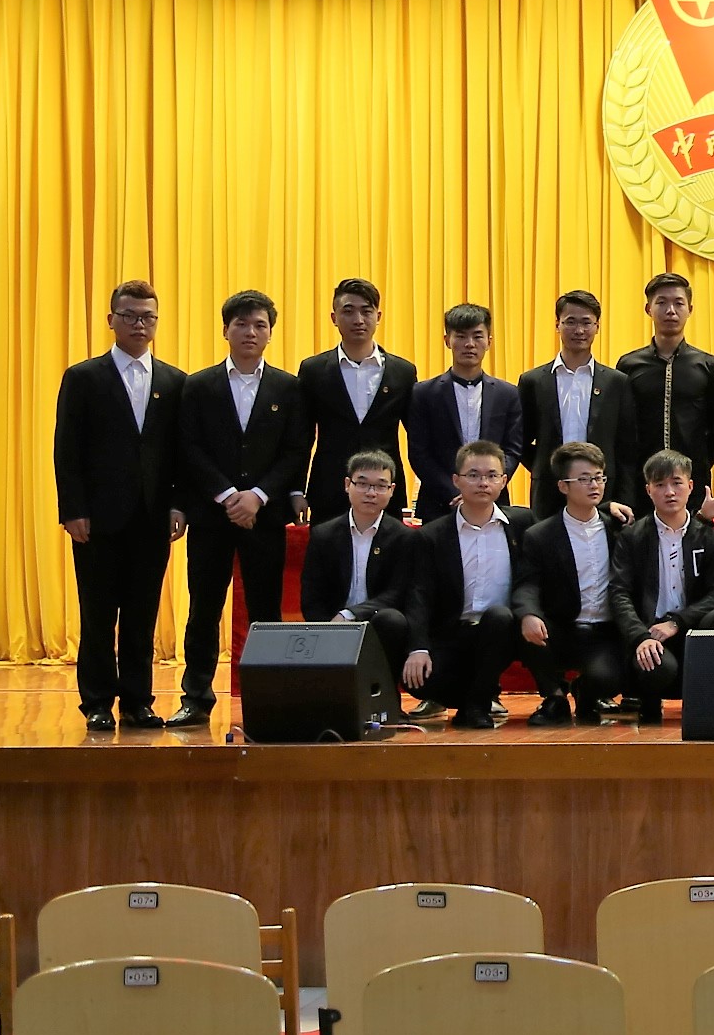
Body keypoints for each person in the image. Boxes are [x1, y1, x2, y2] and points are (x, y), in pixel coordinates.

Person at [52, 279, 187, 731]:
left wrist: (178, 505)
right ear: (111, 320)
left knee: (141, 616)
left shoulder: (174, 381)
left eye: (148, 317)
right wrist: (73, 510)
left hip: (152, 518)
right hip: (97, 518)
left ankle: (136, 702)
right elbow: (67, 449)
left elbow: (180, 453)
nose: (139, 325)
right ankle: (95, 702)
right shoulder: (84, 377)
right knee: (97, 614)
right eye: (129, 316)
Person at [177, 289, 306, 729]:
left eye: (259, 325)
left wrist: (259, 496)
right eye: (241, 324)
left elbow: (295, 450)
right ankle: (196, 698)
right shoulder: (198, 385)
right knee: (204, 608)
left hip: (265, 517)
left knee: (266, 611)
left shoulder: (289, 387)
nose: (250, 332)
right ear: (225, 330)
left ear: (270, 333)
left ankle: (271, 699)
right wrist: (228, 494)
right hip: (212, 516)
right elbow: (188, 446)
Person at [512, 442, 644, 726]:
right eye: (584, 479)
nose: (594, 485)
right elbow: (527, 585)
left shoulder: (619, 529)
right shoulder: (540, 535)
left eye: (599, 477)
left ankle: (586, 692)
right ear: (563, 486)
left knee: (610, 678)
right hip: (562, 626)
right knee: (522, 624)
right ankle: (555, 697)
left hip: (605, 631)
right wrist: (528, 614)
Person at [400, 441, 526, 729]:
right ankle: (475, 697)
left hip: (502, 633)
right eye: (473, 475)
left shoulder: (521, 523)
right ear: (456, 480)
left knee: (499, 617)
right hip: (451, 633)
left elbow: (565, 523)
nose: (483, 483)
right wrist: (418, 648)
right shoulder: (432, 535)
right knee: (421, 683)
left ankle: (478, 706)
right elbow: (419, 595)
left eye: (492, 475)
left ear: (504, 480)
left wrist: (608, 507)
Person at [617, 449, 714, 725]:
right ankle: (649, 702)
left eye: (676, 483)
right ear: (648, 490)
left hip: (690, 626)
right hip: (651, 633)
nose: (670, 492)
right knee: (657, 668)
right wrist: (640, 636)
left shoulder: (707, 537)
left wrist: (677, 622)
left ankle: (709, 702)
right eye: (660, 485)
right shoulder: (632, 537)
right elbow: (620, 594)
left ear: (691, 486)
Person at [297, 279, 416, 523]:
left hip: (384, 487)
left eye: (366, 311)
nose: (358, 319)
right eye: (348, 311)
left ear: (378, 316)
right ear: (334, 318)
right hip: (329, 487)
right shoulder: (313, 370)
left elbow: (417, 435)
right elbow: (301, 437)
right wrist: (296, 490)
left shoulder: (402, 372)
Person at [617, 272, 714, 522]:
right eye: (662, 303)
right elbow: (623, 427)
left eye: (678, 303)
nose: (670, 311)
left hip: (692, 478)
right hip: (641, 479)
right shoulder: (628, 365)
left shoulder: (708, 366)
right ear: (648, 309)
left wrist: (698, 463)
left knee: (694, 539)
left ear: (690, 309)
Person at [517, 291, 638, 514]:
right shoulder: (533, 381)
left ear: (597, 326)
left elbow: (627, 448)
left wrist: (625, 499)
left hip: (602, 493)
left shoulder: (616, 383)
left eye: (586, 322)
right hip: (549, 492)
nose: (579, 330)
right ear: (557, 324)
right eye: (570, 322)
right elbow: (520, 441)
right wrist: (547, 467)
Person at [297, 448, 415, 672]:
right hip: (332, 625)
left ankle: (386, 691)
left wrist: (350, 615)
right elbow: (312, 595)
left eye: (380, 486)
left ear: (392, 490)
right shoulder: (324, 535)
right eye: (362, 483)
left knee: (392, 620)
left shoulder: (404, 537)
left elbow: (398, 592)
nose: (371, 493)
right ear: (347, 485)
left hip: (378, 623)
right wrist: (327, 628)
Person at [409, 303, 526, 516]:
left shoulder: (508, 394)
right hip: (440, 503)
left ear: (489, 341)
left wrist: (490, 486)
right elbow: (419, 453)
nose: (469, 344)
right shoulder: (424, 393)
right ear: (447, 340)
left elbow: (512, 449)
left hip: (494, 501)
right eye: (461, 336)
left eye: (477, 336)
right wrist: (454, 491)